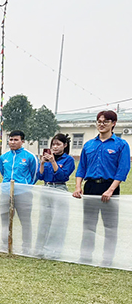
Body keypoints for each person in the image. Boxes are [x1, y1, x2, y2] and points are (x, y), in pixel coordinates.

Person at [73, 110, 130, 266]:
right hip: (90, 186)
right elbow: (82, 168)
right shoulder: (89, 145)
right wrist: (78, 186)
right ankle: (85, 257)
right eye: (99, 121)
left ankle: (107, 259)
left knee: (110, 226)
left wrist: (111, 190)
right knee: (88, 224)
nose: (101, 124)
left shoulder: (121, 145)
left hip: (109, 187)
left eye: (105, 121)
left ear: (113, 123)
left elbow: (123, 169)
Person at [35, 133, 75, 258]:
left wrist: (53, 162)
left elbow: (63, 175)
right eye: (53, 144)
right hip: (46, 188)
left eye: (58, 144)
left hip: (59, 188)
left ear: (65, 145)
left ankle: (54, 251)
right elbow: (40, 176)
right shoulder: (47, 158)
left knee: (58, 222)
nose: (55, 147)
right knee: (44, 220)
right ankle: (40, 249)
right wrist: (42, 163)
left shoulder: (68, 160)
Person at [0, 130, 38, 252]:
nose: (13, 142)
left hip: (23, 194)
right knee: (5, 220)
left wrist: (26, 186)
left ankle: (26, 247)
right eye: (11, 140)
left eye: (16, 140)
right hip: (5, 193)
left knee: (25, 221)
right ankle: (5, 244)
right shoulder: (4, 157)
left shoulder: (30, 157)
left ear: (22, 141)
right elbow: (2, 172)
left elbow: (34, 174)